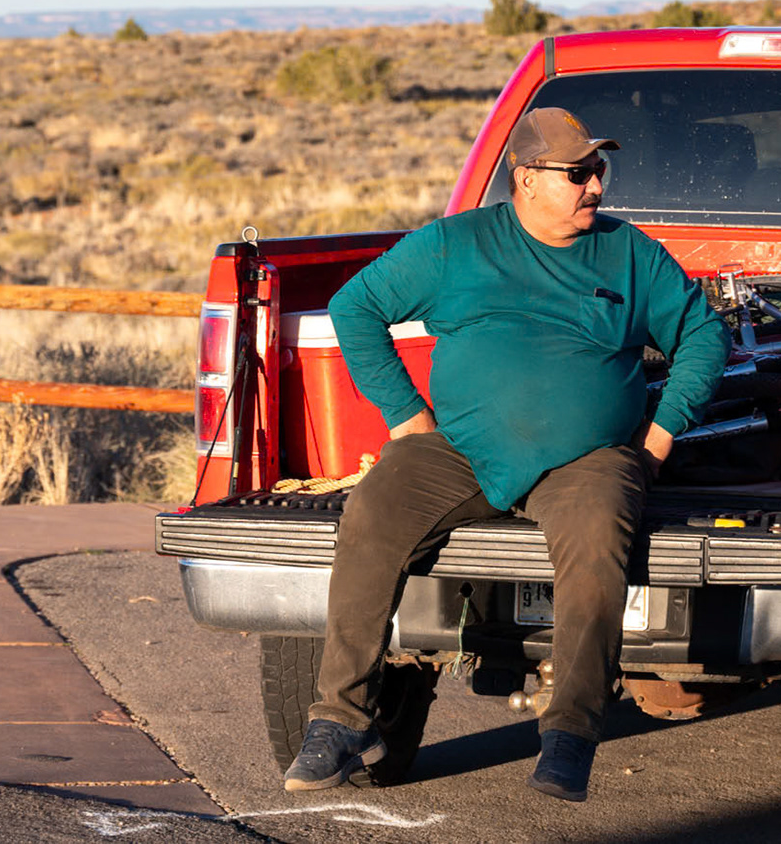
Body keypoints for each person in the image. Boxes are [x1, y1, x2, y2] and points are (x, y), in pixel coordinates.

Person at [281, 107, 727, 803]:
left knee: (597, 538)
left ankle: (571, 733)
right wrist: (407, 419)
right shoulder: (455, 246)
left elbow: (703, 335)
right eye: (578, 172)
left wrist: (657, 440)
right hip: (460, 449)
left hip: (589, 457)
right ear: (526, 179)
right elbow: (355, 307)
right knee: (374, 508)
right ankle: (339, 719)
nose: (597, 186)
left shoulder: (629, 253)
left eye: (598, 170)